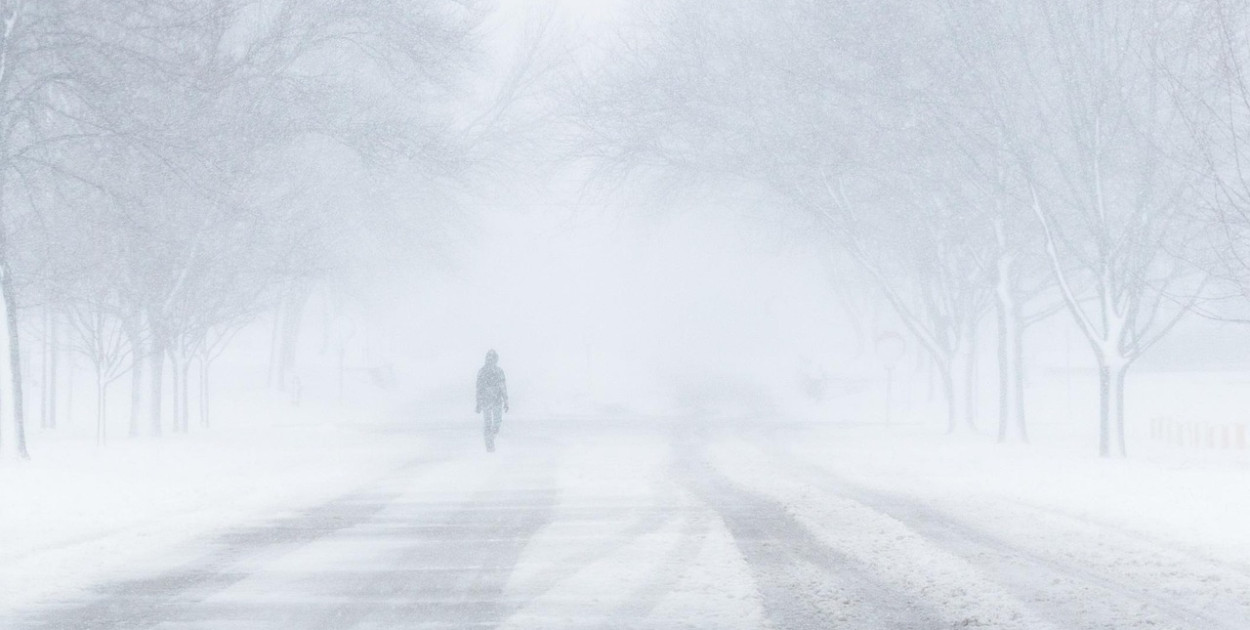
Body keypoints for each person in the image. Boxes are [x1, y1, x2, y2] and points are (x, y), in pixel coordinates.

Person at [475, 349, 509, 452]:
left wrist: (506, 400)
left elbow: (503, 386)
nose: (489, 360)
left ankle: (490, 442)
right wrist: (478, 402)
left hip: (495, 401)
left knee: (494, 424)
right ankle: (490, 446)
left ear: (495, 359)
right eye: (488, 358)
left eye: (492, 358)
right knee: (489, 424)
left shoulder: (498, 371)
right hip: (489, 401)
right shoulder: (484, 371)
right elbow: (479, 388)